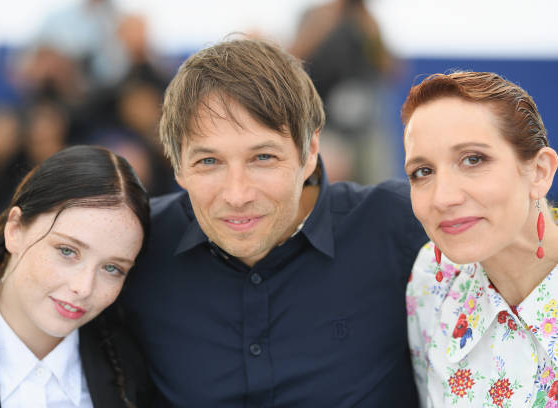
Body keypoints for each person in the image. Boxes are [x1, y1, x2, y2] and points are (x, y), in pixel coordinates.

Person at [117, 38, 428, 407]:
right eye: (209, 162)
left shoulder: (404, 226)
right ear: (177, 165)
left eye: (263, 157)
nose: (237, 194)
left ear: (310, 151)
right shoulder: (133, 243)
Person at [0, 145, 153, 407]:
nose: (84, 287)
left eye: (112, 268)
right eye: (67, 251)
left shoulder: (135, 370)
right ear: (15, 229)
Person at [401, 72, 558, 407]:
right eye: (423, 172)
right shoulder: (432, 280)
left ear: (540, 171)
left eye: (473, 159)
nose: (443, 198)